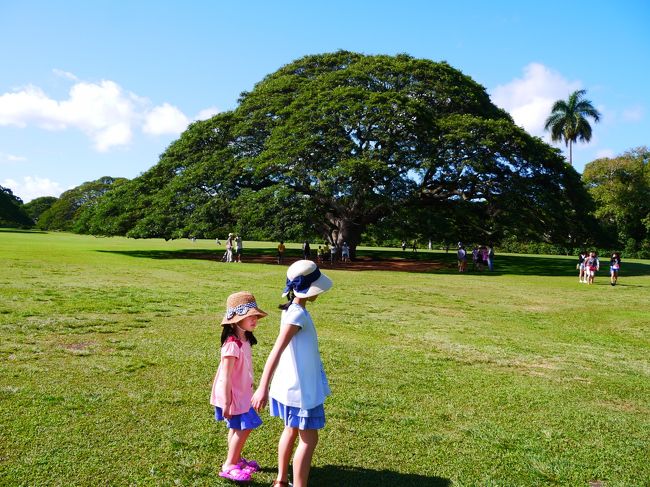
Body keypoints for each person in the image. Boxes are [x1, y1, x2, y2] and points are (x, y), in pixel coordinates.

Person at [252, 260, 333, 487]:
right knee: (309, 439)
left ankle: (281, 480)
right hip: (302, 392)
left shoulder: (292, 310)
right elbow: (276, 351)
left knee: (290, 429)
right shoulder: (296, 315)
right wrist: (262, 387)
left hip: (293, 387)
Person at [210, 292, 268, 482]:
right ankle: (229, 464)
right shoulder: (232, 345)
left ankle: (235, 459)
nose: (254, 319)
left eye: (255, 316)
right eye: (249, 316)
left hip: (241, 393)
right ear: (235, 320)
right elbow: (225, 376)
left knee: (236, 428)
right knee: (245, 427)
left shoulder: (244, 340)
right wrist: (226, 402)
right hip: (233, 396)